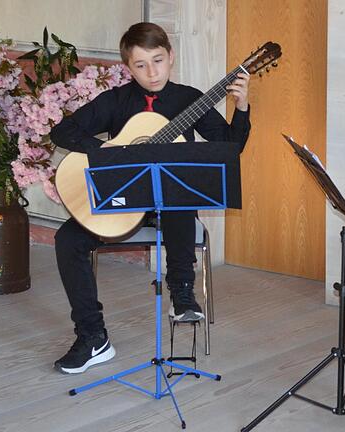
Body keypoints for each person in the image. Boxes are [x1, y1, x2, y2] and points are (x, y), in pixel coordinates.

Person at [50, 22, 251, 374]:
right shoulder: (116, 101)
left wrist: (243, 106)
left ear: (171, 57)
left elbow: (230, 149)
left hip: (172, 208)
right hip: (123, 202)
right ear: (128, 67)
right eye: (140, 65)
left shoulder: (190, 99)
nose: (151, 72)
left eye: (158, 60)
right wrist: (110, 152)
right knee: (67, 239)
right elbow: (62, 130)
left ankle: (182, 291)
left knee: (175, 188)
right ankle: (93, 336)